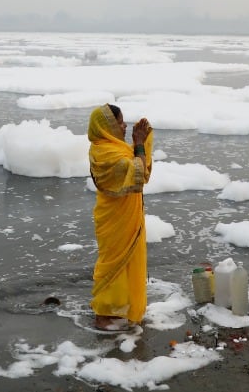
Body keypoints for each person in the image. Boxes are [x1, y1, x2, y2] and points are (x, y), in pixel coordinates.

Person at [87, 103, 153, 330]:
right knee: (112, 264)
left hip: (123, 215)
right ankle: (103, 313)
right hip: (114, 217)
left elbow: (138, 169)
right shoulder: (105, 152)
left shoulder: (113, 147)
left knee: (125, 263)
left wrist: (139, 145)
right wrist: (139, 144)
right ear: (107, 125)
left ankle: (120, 307)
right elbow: (136, 174)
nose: (124, 126)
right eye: (120, 122)